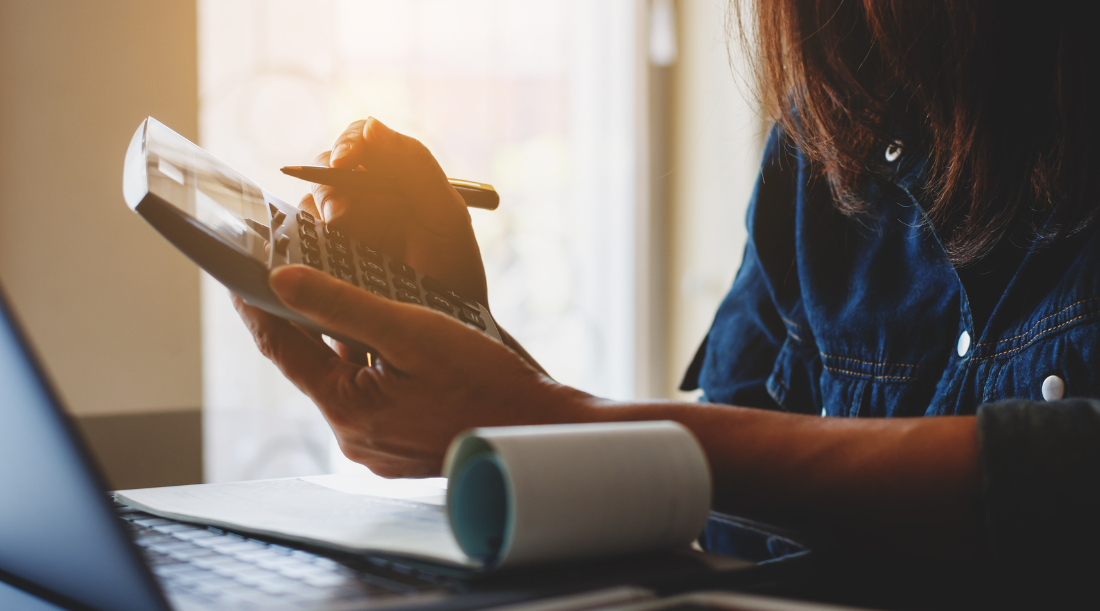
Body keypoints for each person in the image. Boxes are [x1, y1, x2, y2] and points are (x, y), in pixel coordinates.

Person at [234, 0, 1100, 572]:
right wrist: (478, 357)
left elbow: (1066, 477)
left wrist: (540, 418)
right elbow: (717, 521)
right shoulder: (826, 141)